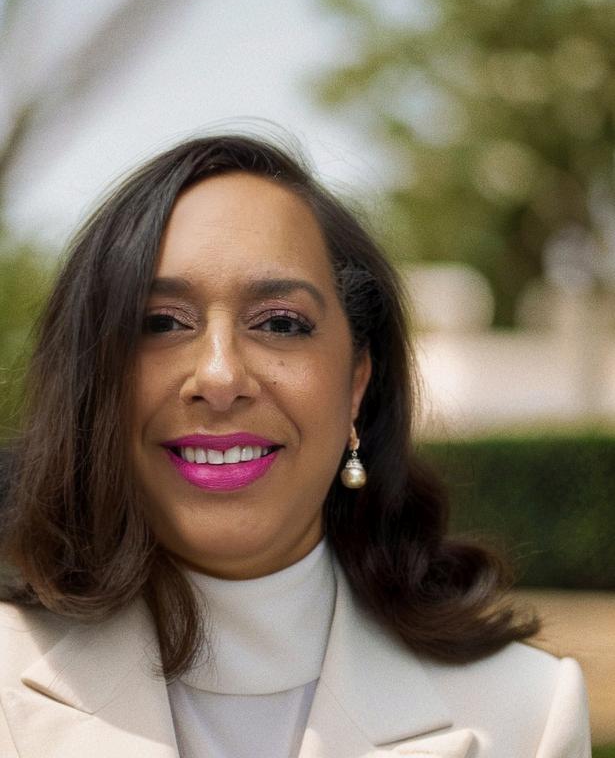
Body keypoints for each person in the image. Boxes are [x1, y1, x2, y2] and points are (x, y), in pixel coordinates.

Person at [0, 135, 590, 758]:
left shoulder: (526, 715)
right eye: (162, 322)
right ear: (91, 381)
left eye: (281, 323)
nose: (220, 377)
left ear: (357, 383)